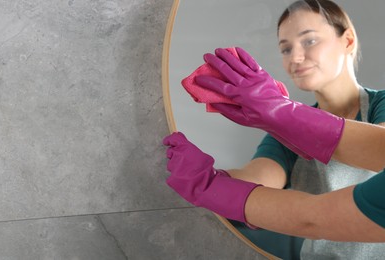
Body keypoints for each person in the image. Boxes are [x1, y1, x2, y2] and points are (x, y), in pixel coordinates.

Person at [163, 0, 385, 259]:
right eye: (286, 49)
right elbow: (258, 179)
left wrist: (281, 112)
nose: (296, 58)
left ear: (347, 41)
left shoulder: (379, 104)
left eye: (309, 41)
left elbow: (377, 147)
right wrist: (207, 176)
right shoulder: (285, 136)